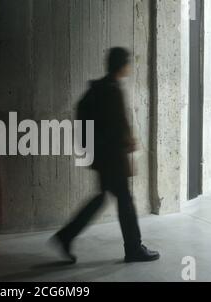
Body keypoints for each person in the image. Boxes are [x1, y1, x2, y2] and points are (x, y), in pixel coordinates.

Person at [50, 47, 160, 263]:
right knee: (125, 201)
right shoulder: (112, 89)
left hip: (102, 157)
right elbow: (117, 125)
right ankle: (133, 248)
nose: (130, 66)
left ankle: (66, 236)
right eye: (128, 63)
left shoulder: (99, 88)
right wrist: (128, 143)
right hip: (113, 158)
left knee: (104, 199)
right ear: (122, 65)